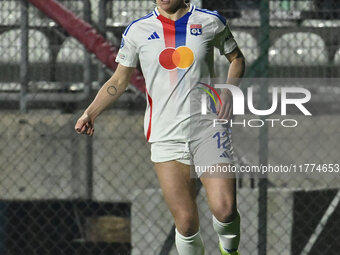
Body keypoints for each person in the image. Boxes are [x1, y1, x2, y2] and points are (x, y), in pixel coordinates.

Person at [75, 0, 245, 254]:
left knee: (225, 208)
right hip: (166, 136)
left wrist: (229, 93)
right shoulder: (137, 31)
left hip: (209, 129)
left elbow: (237, 59)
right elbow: (119, 80)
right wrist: (91, 112)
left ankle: (230, 251)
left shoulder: (210, 21)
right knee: (186, 224)